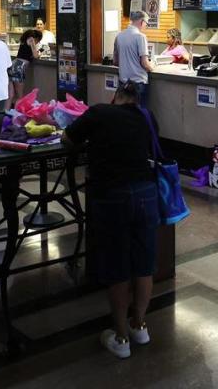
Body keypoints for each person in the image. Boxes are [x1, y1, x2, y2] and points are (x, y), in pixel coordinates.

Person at [62, 82, 158, 360]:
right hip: (146, 193)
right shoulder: (148, 117)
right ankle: (139, 325)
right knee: (143, 264)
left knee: (118, 266)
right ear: (136, 101)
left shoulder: (99, 112)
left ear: (115, 97)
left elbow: (67, 141)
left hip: (112, 194)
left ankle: (120, 337)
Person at [113, 10, 154, 107]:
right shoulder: (140, 37)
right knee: (139, 116)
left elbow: (115, 62)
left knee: (124, 114)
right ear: (142, 22)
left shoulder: (119, 36)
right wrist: (152, 66)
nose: (146, 26)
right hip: (138, 84)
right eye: (146, 24)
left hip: (123, 84)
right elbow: (144, 63)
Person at [7, 28, 41, 110]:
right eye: (38, 40)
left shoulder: (24, 42)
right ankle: (16, 116)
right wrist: (37, 51)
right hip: (19, 68)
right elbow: (36, 55)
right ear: (35, 38)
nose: (38, 42)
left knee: (10, 95)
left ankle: (6, 113)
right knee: (20, 96)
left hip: (12, 66)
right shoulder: (31, 40)